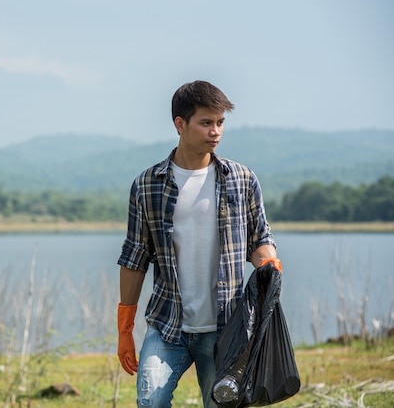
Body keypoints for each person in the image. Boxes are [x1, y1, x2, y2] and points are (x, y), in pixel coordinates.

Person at [116, 80, 282, 407]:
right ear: (180, 124)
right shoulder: (147, 185)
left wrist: (268, 263)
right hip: (167, 326)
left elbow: (259, 239)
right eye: (206, 123)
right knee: (150, 400)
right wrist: (125, 326)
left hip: (227, 331)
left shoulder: (242, 179)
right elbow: (135, 257)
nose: (215, 131)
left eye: (220, 123)